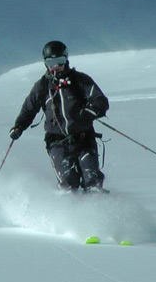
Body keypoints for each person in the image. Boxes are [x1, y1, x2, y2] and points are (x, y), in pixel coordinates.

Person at [9, 41, 110, 192]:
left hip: (84, 139)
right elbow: (28, 109)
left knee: (92, 178)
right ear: (45, 64)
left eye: (59, 62)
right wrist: (19, 126)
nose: (55, 67)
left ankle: (98, 207)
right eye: (51, 62)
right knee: (68, 183)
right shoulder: (42, 86)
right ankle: (70, 209)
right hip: (57, 142)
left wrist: (91, 111)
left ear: (66, 60)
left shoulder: (80, 80)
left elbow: (99, 99)